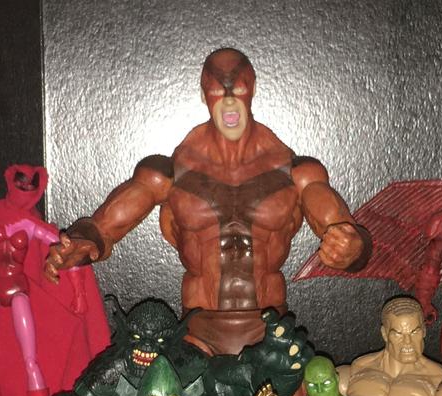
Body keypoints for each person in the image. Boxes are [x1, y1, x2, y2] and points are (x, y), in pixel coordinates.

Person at [44, 48, 370, 355]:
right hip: (197, 336)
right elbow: (103, 228)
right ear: (204, 95)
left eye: (238, 89)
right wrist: (83, 241)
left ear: (252, 89)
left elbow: (347, 233)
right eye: (217, 90)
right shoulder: (168, 174)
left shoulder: (297, 174)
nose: (229, 101)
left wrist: (352, 248)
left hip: (272, 332)